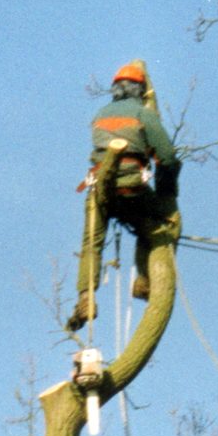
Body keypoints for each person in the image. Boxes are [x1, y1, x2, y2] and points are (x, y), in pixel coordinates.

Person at [67, 63, 182, 332]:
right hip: (132, 189)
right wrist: (167, 190)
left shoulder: (99, 114)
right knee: (156, 225)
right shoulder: (144, 114)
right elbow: (167, 157)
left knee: (92, 243)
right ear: (140, 89)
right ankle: (143, 280)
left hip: (99, 189)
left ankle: (86, 297)